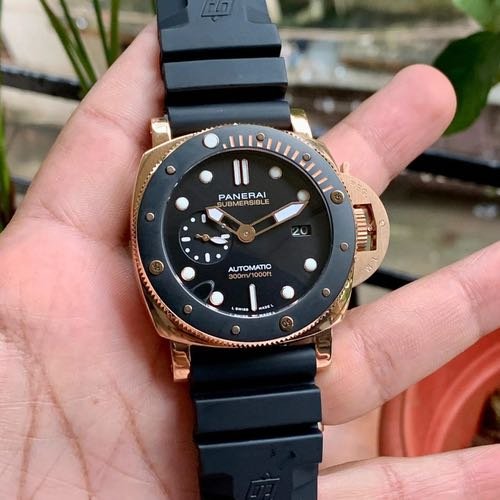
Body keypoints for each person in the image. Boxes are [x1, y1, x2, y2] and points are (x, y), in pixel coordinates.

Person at [0, 24, 498, 499]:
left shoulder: (283, 151)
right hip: (217, 331)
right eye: (236, 229)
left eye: (254, 230)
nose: (245, 235)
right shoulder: (197, 150)